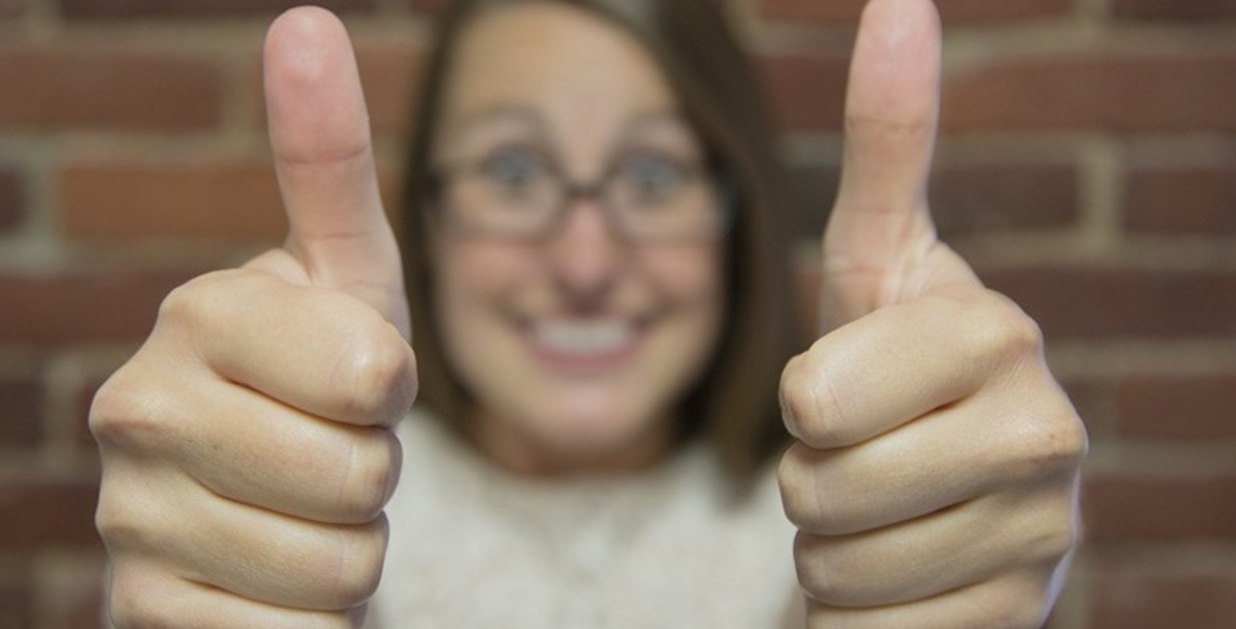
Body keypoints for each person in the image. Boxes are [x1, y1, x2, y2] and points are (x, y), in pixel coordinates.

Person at [89, 0, 1087, 627]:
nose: (583, 261)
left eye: (654, 174)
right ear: (425, 218)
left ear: (737, 209)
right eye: (512, 170)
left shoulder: (882, 529)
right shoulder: (277, 516)